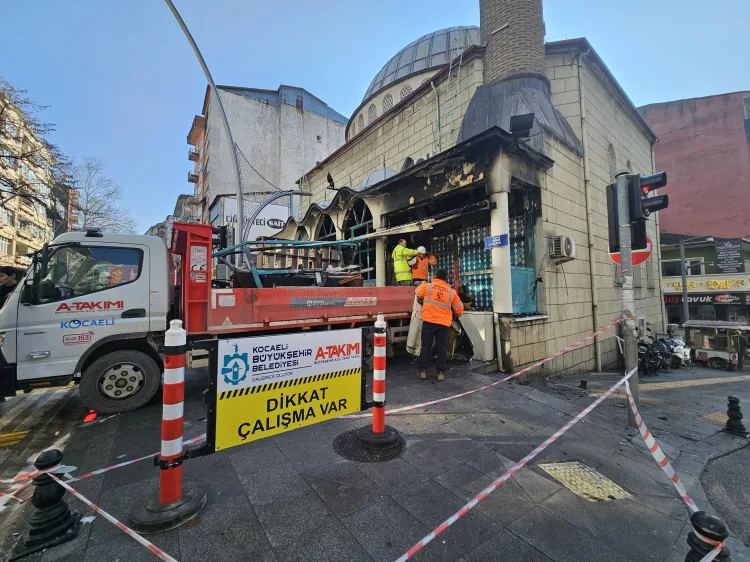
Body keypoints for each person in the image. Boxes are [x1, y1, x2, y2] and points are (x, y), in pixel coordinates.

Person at [415, 269, 464, 381]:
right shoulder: (451, 292)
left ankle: (422, 371)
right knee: (442, 347)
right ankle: (440, 373)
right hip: (443, 324)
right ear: (445, 278)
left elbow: (417, 291)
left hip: (429, 321)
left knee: (426, 346)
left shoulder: (428, 286)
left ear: (435, 276)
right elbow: (459, 310)